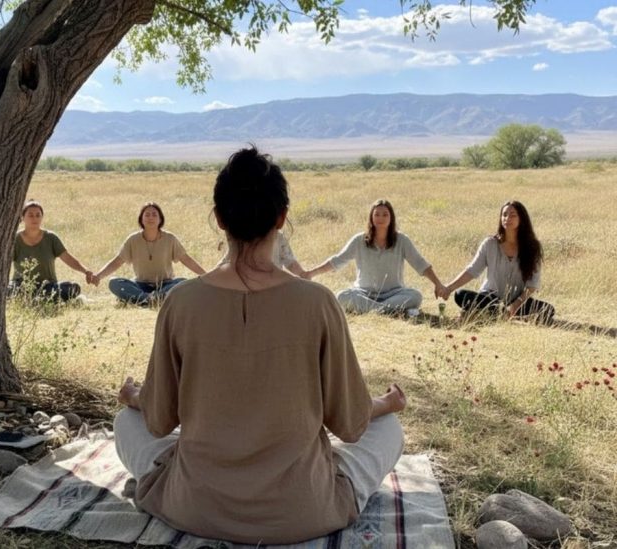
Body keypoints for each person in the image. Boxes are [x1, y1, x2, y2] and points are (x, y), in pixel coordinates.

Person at [113, 147, 406, 545]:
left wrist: (135, 397)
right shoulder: (319, 302)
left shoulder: (180, 303)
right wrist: (387, 404)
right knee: (388, 428)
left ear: (218, 219)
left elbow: (159, 420)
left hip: (195, 506)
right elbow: (351, 426)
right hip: (303, 511)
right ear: (281, 218)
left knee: (125, 422)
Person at [304, 199, 448, 315]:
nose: (380, 218)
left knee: (416, 296)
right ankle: (385, 310)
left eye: (385, 214)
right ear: (371, 217)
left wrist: (438, 283)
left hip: (394, 293)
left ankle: (375, 310)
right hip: (363, 293)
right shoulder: (359, 240)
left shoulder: (402, 240)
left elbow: (420, 264)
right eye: (377, 214)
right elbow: (337, 261)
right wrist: (311, 273)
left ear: (391, 218)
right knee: (342, 296)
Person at [444, 200, 555, 322]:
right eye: (504, 215)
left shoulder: (532, 247)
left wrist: (515, 305)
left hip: (517, 300)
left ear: (522, 219)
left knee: (548, 310)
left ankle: (489, 316)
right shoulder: (490, 243)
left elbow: (532, 285)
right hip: (489, 298)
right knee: (460, 295)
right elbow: (472, 270)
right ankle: (506, 317)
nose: (507, 218)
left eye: (513, 215)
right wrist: (449, 288)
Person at [91, 202, 205, 306]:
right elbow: (118, 261)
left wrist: (206, 275)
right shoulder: (133, 239)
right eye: (147, 215)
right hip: (140, 285)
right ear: (141, 219)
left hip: (165, 284)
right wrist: (99, 276)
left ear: (160, 219)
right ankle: (150, 298)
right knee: (114, 282)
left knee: (182, 283)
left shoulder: (170, 238)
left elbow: (185, 259)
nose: (151, 217)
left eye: (154, 215)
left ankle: (141, 299)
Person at [8, 199, 93, 302]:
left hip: (48, 286)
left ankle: (37, 300)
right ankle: (40, 300)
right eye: (30, 215)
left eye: (38, 215)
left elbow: (67, 258)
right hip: (22, 286)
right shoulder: (14, 239)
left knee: (73, 288)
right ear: (22, 218)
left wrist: (86, 271)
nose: (34, 218)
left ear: (42, 217)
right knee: (8, 291)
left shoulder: (51, 238)